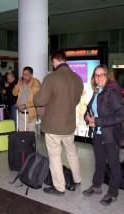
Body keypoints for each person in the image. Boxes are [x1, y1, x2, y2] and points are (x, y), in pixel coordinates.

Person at [34, 50, 83, 196]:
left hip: (53, 124)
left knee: (55, 155)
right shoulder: (77, 78)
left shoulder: (52, 77)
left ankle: (59, 187)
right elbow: (77, 101)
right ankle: (77, 178)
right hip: (69, 123)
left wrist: (37, 96)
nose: (52, 64)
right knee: (71, 151)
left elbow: (40, 100)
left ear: (55, 60)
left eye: (52, 62)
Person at [83, 65, 124, 206]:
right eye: (96, 75)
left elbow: (122, 115)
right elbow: (90, 110)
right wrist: (87, 117)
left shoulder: (112, 91)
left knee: (114, 165)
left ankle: (113, 193)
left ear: (107, 76)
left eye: (102, 75)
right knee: (100, 162)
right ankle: (96, 186)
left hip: (111, 134)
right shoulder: (97, 91)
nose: (99, 78)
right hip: (98, 134)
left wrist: (97, 121)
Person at [13, 66, 41, 131]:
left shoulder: (36, 83)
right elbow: (14, 93)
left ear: (31, 75)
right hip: (21, 113)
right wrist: (18, 84)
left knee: (30, 135)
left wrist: (25, 106)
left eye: (26, 75)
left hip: (30, 114)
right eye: (23, 74)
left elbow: (38, 100)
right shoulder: (22, 83)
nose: (23, 76)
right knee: (21, 135)